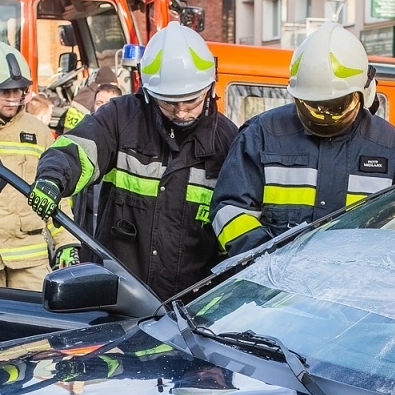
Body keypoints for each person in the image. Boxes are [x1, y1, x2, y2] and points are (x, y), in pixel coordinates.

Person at [29, 23, 239, 301]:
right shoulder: (121, 117)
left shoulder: (226, 140)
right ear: (149, 93)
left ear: (209, 88)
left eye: (191, 102)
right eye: (169, 103)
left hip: (189, 306)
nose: (181, 113)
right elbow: (79, 148)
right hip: (116, 296)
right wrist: (53, 177)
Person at [211, 22, 395, 256]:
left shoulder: (390, 147)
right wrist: (266, 259)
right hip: (274, 286)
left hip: (358, 285)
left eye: (337, 107)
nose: (325, 116)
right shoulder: (262, 134)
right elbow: (229, 210)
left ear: (364, 92)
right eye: (313, 107)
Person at [0, 42, 77, 290]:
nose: (12, 99)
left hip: (29, 259)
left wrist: (66, 242)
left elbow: (56, 191)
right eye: (4, 92)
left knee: (41, 324)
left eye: (18, 91)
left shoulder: (37, 131)